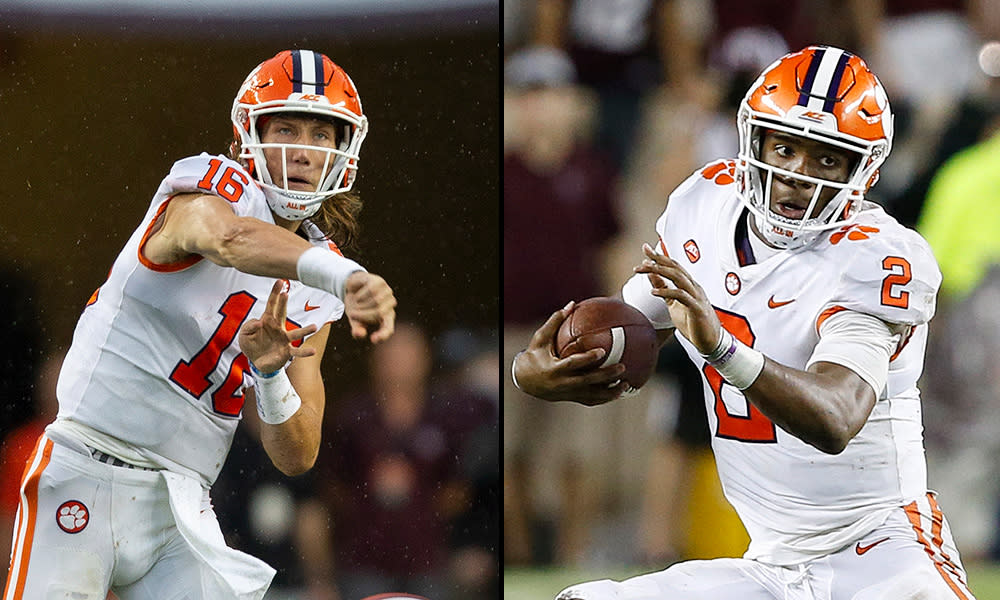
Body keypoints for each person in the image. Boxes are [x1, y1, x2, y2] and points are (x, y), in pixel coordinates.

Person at [512, 45, 977, 599]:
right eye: (784, 148)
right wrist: (543, 370)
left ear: (864, 171)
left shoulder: (878, 256)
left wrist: (721, 347)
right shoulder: (705, 203)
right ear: (753, 141)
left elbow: (837, 415)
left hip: (883, 555)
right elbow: (635, 327)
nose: (798, 175)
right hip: (770, 565)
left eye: (827, 159)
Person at [2, 49, 396, 600]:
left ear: (341, 151)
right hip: (86, 468)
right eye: (285, 127)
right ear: (248, 136)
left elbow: (297, 455)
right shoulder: (208, 187)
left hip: (182, 507)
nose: (302, 149)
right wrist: (344, 274)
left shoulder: (314, 285)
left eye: (319, 134)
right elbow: (229, 240)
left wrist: (271, 376)